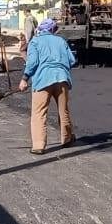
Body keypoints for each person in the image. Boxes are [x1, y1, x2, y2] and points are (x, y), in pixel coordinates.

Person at [19, 18, 77, 155]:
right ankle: (67, 138)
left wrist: (24, 78)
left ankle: (39, 145)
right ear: (53, 29)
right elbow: (72, 60)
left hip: (43, 80)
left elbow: (32, 62)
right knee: (63, 111)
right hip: (62, 79)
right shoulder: (61, 41)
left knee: (39, 113)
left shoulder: (35, 41)